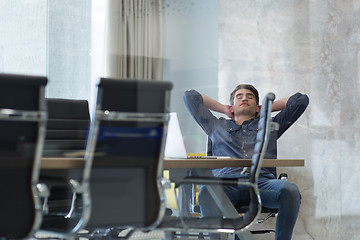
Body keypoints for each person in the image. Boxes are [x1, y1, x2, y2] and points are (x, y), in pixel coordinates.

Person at [183, 84, 309, 240]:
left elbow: (301, 101)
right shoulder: (215, 126)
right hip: (227, 185)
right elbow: (189, 96)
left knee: (290, 190)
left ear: (256, 106)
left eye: (250, 97)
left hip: (261, 184)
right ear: (232, 106)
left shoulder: (269, 126)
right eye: (239, 96)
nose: (244, 98)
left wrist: (264, 109)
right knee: (207, 192)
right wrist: (223, 108)